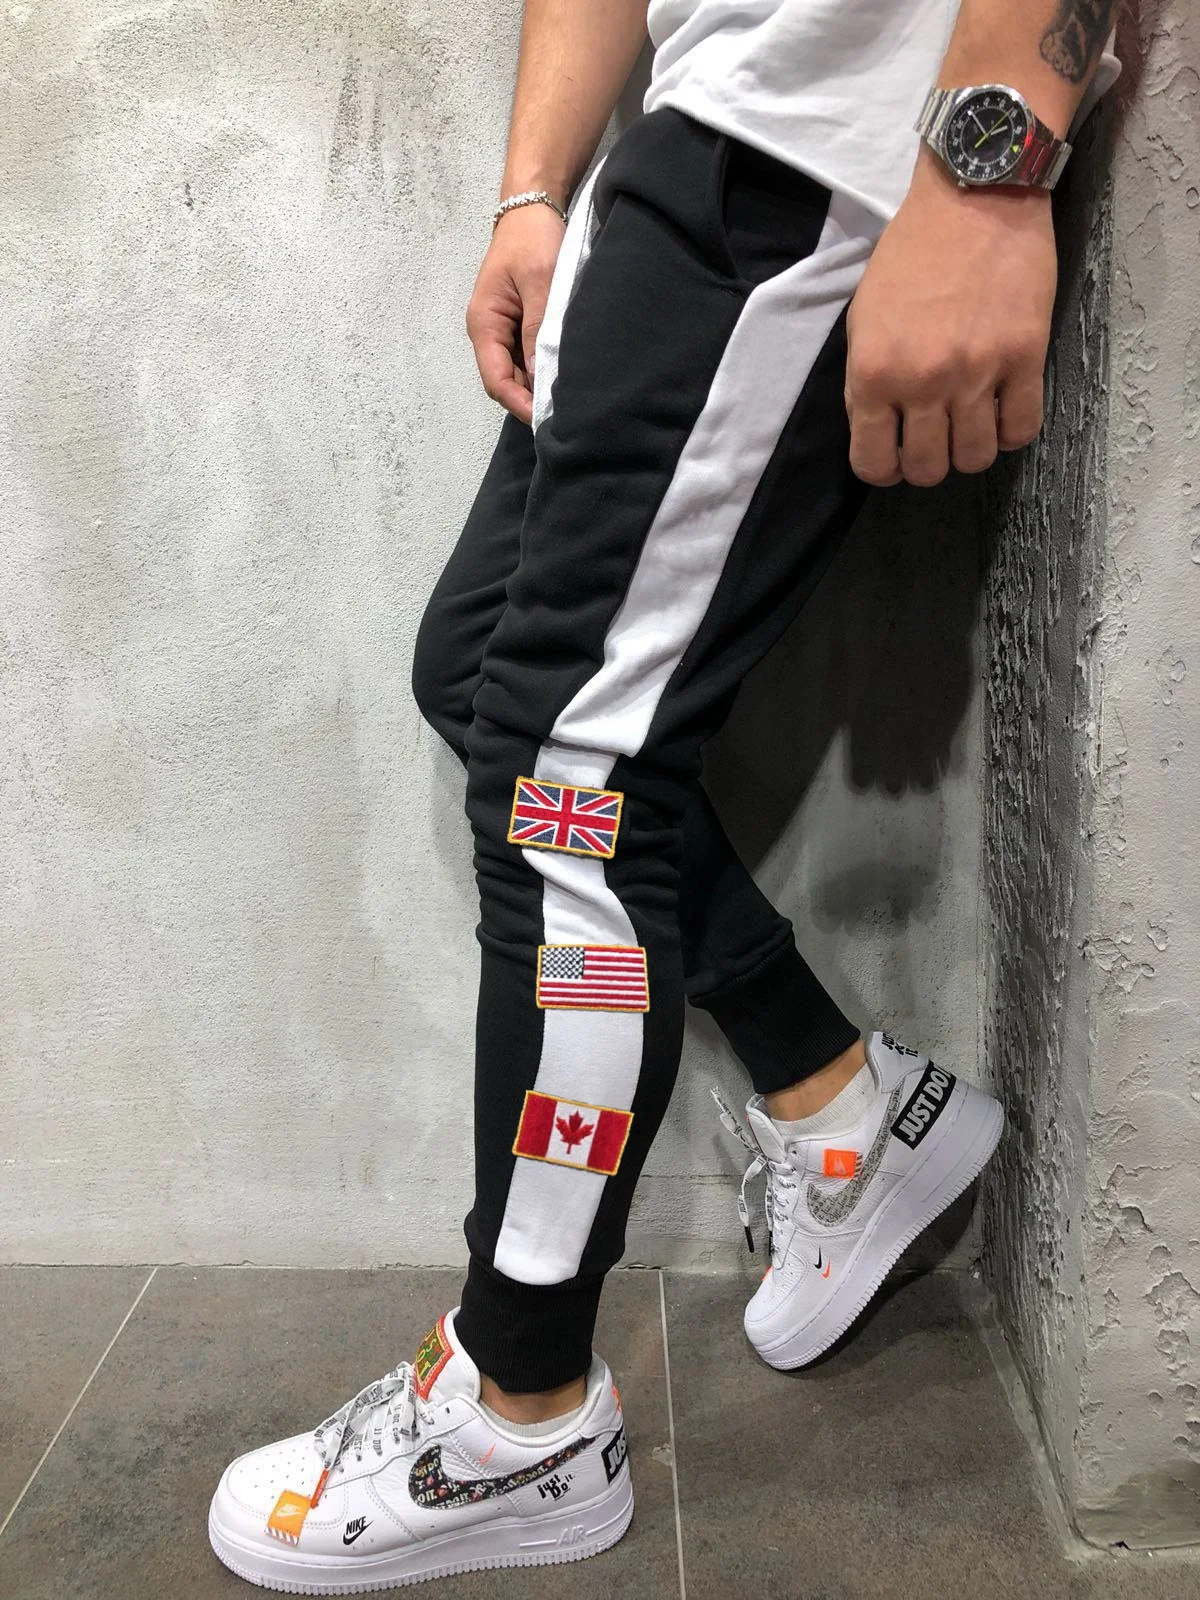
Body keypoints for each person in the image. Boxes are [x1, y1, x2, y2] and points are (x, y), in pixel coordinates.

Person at [208, 0, 1122, 1589]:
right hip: (682, 164)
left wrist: (990, 166)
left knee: (568, 791)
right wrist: (534, 192)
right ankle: (839, 1106)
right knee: (486, 679)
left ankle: (522, 1408)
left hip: (812, 160)